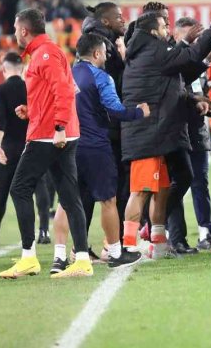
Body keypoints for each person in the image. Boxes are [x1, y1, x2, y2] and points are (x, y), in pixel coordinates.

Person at [120, 6, 211, 260]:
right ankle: (128, 246)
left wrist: (193, 100)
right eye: (163, 25)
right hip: (147, 132)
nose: (167, 29)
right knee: (142, 190)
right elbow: (190, 56)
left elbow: (176, 80)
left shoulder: (151, 52)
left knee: (168, 184)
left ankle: (158, 243)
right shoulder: (153, 51)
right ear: (151, 30)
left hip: (161, 131)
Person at [0, 8, 91, 279]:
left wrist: (59, 126)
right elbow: (59, 90)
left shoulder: (45, 54)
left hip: (49, 135)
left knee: (19, 189)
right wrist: (31, 110)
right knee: (70, 196)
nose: (15, 33)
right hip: (57, 130)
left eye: (16, 29)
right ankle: (83, 260)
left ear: (25, 31)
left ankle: (29, 257)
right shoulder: (47, 53)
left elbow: (64, 90)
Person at [51, 34, 147, 272]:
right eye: (104, 51)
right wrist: (139, 112)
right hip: (95, 146)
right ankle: (115, 252)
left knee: (66, 202)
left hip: (69, 146)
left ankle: (60, 257)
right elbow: (115, 110)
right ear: (96, 53)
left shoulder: (66, 74)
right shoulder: (101, 77)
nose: (106, 55)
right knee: (108, 200)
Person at [0, 52, 52, 247]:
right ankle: (44, 229)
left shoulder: (0, 90)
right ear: (21, 68)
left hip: (9, 148)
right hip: (32, 143)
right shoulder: (30, 86)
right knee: (39, 186)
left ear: (4, 69)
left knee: (1, 191)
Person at [80, 2, 129, 241]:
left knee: (88, 192)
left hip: (94, 129)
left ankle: (79, 248)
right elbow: (111, 90)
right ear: (106, 21)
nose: (123, 20)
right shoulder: (103, 47)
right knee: (108, 191)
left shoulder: (94, 41)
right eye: (119, 17)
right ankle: (113, 245)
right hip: (105, 130)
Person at [167, 17, 211, 254]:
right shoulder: (170, 62)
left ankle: (205, 232)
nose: (194, 43)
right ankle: (173, 236)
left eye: (196, 38)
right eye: (189, 37)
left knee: (200, 182)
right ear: (176, 37)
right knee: (176, 185)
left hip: (197, 130)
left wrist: (209, 101)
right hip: (176, 132)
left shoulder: (202, 64)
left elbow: (205, 94)